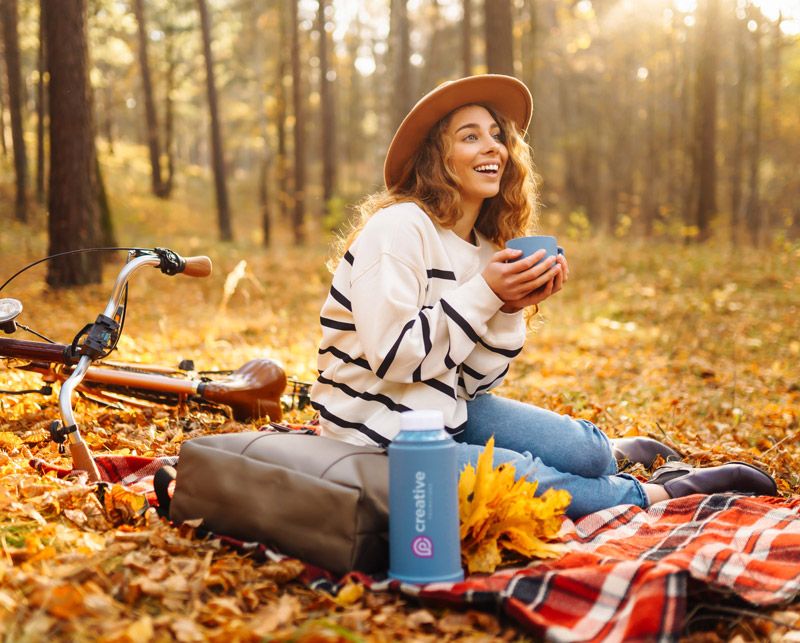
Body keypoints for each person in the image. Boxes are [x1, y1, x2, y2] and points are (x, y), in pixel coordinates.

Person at [309, 74, 777, 519]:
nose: (492, 146)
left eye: (496, 135)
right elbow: (395, 357)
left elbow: (470, 383)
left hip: (443, 407)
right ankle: (660, 491)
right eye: (469, 136)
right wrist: (485, 293)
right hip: (376, 434)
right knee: (529, 479)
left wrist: (509, 309)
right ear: (437, 157)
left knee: (585, 451)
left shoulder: (486, 248)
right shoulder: (400, 227)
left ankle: (609, 452)